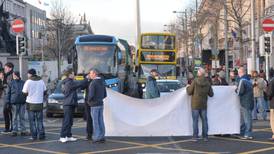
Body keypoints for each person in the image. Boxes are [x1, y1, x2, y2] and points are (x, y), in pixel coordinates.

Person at [59, 69, 89, 143]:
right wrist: (87, 78)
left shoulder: (68, 82)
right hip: (68, 104)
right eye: (73, 74)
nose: (74, 75)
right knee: (67, 121)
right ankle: (62, 136)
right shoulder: (69, 82)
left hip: (70, 103)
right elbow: (79, 83)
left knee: (70, 121)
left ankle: (68, 135)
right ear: (69, 75)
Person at [187, 67, 214, 142]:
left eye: (198, 72)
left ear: (199, 73)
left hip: (195, 104)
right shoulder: (208, 82)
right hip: (203, 104)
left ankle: (195, 137)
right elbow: (211, 94)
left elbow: (189, 92)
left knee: (195, 121)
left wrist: (187, 87)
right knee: (204, 120)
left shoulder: (195, 81)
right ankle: (205, 137)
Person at [22, 69, 47, 141]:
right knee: (39, 120)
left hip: (30, 103)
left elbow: (24, 92)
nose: (27, 75)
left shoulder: (28, 81)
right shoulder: (41, 81)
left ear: (30, 74)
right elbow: (45, 91)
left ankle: (34, 136)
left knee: (32, 121)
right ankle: (41, 135)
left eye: (28, 74)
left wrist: (29, 94)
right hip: (39, 103)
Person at [87, 68, 107, 143]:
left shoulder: (93, 83)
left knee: (95, 121)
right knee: (101, 120)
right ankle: (102, 136)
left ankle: (97, 137)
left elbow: (91, 95)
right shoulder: (102, 82)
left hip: (94, 105)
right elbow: (105, 95)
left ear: (95, 74)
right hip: (100, 104)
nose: (89, 75)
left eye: (91, 73)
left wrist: (89, 101)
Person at [5, 71, 27, 136]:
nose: (13, 76)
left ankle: (23, 130)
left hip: (22, 102)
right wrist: (7, 102)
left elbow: (26, 92)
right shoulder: (11, 83)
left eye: (13, 75)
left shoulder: (23, 82)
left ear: (16, 75)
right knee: (15, 117)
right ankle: (15, 130)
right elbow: (8, 93)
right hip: (14, 103)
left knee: (21, 117)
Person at [235, 67, 254, 140]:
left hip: (245, 102)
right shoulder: (249, 80)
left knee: (246, 119)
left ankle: (247, 134)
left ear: (240, 73)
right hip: (250, 100)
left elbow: (240, 92)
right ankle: (243, 132)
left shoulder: (242, 80)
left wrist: (236, 90)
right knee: (247, 118)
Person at [2, 62, 14, 133]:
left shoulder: (10, 76)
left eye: (6, 68)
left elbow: (8, 86)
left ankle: (9, 128)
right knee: (8, 112)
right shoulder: (7, 75)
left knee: (8, 112)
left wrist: (3, 80)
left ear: (10, 68)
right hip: (7, 96)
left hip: (9, 97)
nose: (5, 69)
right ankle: (9, 128)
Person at [267, 69, 274, 141]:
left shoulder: (272, 81)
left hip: (273, 103)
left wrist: (268, 97)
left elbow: (269, 93)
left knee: (273, 120)